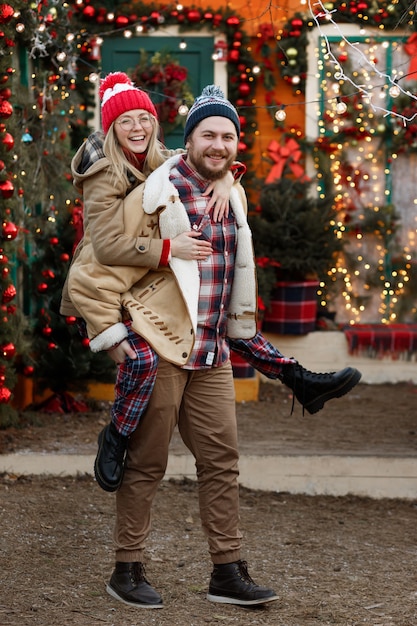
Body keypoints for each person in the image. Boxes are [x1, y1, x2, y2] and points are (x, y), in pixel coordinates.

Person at [66, 85, 361, 608]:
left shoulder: (232, 186)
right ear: (189, 139)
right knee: (147, 464)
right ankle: (126, 569)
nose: (219, 144)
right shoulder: (150, 193)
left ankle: (227, 572)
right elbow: (96, 265)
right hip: (161, 346)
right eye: (209, 134)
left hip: (213, 354)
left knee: (222, 462)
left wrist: (227, 176)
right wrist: (117, 338)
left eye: (228, 136)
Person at [61, 72, 240, 492]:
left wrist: (228, 177)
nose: (137, 128)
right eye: (126, 122)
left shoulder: (159, 157)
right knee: (140, 360)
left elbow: (201, 158)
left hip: (134, 283)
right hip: (99, 283)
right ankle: (116, 437)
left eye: (144, 118)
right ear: (111, 129)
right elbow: (106, 248)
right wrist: (168, 249)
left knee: (148, 362)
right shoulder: (104, 172)